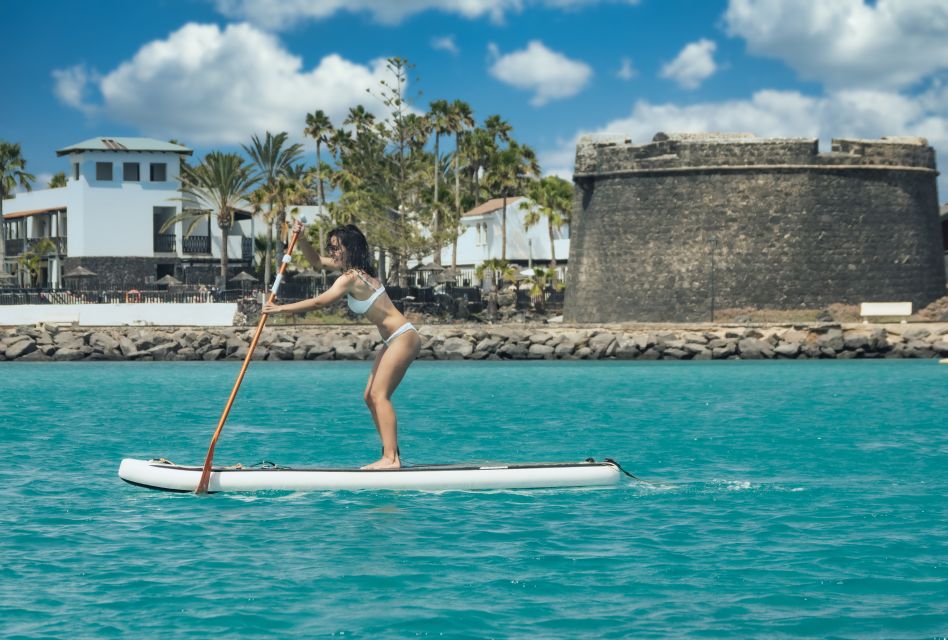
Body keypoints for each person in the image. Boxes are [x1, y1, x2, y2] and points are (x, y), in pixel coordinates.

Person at [262, 221, 420, 469]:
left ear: (350, 248)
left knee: (380, 395)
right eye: (331, 247)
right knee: (369, 396)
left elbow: (319, 303)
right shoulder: (354, 272)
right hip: (393, 339)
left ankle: (391, 459)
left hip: (403, 337)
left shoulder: (352, 277)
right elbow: (316, 262)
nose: (333, 252)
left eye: (336, 248)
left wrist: (279, 309)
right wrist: (301, 238)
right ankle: (390, 454)